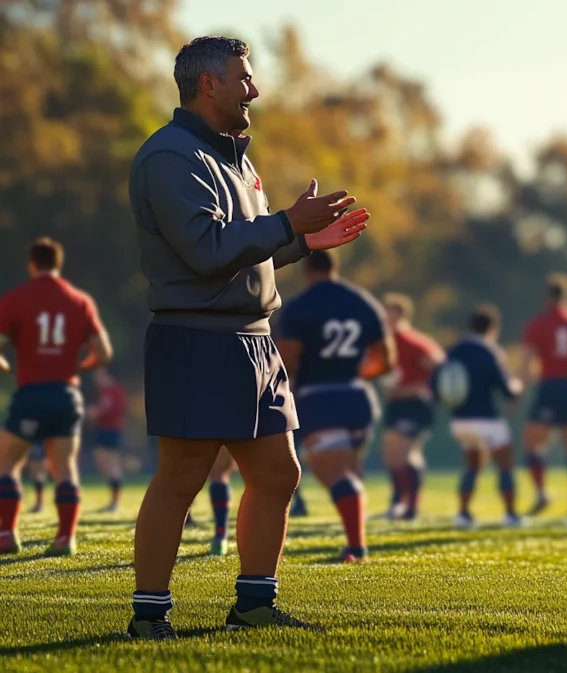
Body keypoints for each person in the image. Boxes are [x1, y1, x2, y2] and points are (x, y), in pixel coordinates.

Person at [126, 36, 369, 639]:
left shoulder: (236, 157)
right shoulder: (171, 156)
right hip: (196, 339)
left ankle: (253, 605)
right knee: (180, 479)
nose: (253, 89)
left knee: (279, 473)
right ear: (209, 84)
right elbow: (205, 251)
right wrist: (287, 222)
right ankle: (149, 616)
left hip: (253, 340)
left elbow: (246, 252)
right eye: (244, 78)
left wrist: (303, 242)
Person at [275, 250, 394, 563]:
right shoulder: (364, 302)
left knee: (335, 473)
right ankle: (355, 544)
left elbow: (288, 358)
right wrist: (352, 372)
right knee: (348, 470)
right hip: (358, 397)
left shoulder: (300, 306)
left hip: (321, 397)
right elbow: (385, 360)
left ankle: (356, 549)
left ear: (307, 271)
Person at [0, 237, 114, 555]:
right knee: (64, 467)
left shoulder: (15, 299)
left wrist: (6, 364)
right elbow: (103, 353)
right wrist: (79, 365)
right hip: (66, 393)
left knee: (7, 463)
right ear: (58, 264)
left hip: (31, 393)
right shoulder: (79, 300)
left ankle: (7, 534)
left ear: (31, 264)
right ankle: (66, 539)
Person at [435, 305, 523, 529]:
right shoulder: (490, 351)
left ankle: (463, 514)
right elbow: (506, 389)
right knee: (504, 465)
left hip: (459, 420)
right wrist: (517, 386)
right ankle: (511, 515)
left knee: (472, 466)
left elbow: (436, 383)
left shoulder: (453, 350)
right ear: (493, 328)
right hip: (487, 419)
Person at [518, 274, 567, 522]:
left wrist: (520, 387)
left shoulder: (538, 324)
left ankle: (542, 492)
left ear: (548, 296)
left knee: (533, 443)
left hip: (550, 386)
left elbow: (528, 362)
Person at [380, 293, 443, 521]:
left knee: (407, 453)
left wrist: (419, 388)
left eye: (390, 314)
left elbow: (438, 367)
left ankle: (411, 507)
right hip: (396, 404)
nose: (386, 318)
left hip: (416, 405)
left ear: (401, 315)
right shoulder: (384, 341)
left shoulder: (414, 342)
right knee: (391, 456)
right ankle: (398, 501)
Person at [87, 367, 129, 512]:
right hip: (105, 430)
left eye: (98, 375)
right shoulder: (105, 392)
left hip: (111, 430)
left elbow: (103, 411)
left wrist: (92, 413)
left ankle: (115, 502)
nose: (96, 379)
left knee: (111, 464)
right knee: (103, 462)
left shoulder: (113, 391)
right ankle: (114, 500)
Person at [24, 444, 48, 514]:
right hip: (35, 451)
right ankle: (39, 503)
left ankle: (40, 503)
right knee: (37, 478)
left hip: (40, 453)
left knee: (39, 478)